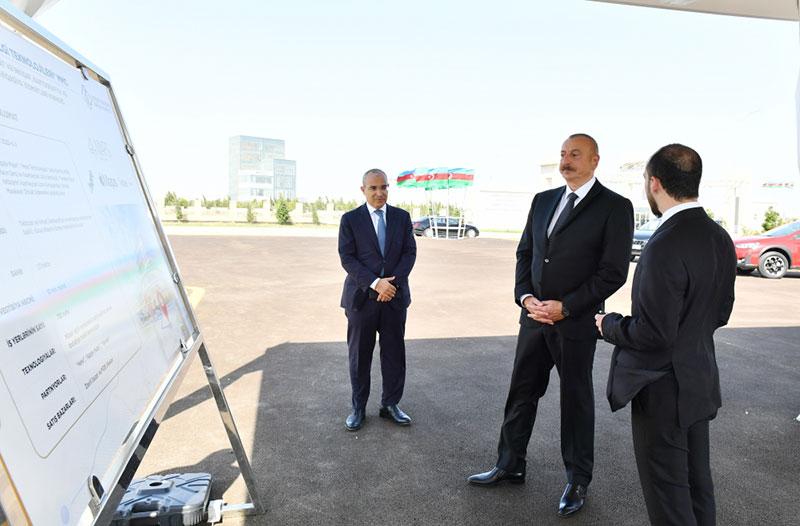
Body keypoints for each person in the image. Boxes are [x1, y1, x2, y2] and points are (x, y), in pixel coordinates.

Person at [469, 134, 634, 518]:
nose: (566, 161)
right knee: (521, 392)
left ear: (594, 160)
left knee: (576, 400)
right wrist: (526, 297)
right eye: (562, 154)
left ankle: (577, 480)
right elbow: (525, 253)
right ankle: (510, 464)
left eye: (575, 154)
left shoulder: (615, 206)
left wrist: (567, 307)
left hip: (574, 323)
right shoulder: (543, 201)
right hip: (533, 318)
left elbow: (613, 272)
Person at [596, 144, 736, 526]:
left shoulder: (664, 243)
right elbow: (721, 312)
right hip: (699, 379)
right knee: (697, 489)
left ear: (654, 183)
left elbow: (654, 333)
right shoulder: (720, 237)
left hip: (662, 391)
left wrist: (608, 325)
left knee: (669, 500)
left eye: (645, 180)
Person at [338, 168, 417, 431]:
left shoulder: (402, 218)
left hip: (394, 298)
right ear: (363, 190)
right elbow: (347, 258)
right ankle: (358, 407)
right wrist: (375, 283)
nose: (379, 192)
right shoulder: (351, 220)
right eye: (373, 188)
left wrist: (391, 285)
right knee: (359, 356)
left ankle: (390, 404)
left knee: (394, 354)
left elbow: (409, 253)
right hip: (362, 299)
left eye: (383, 187)